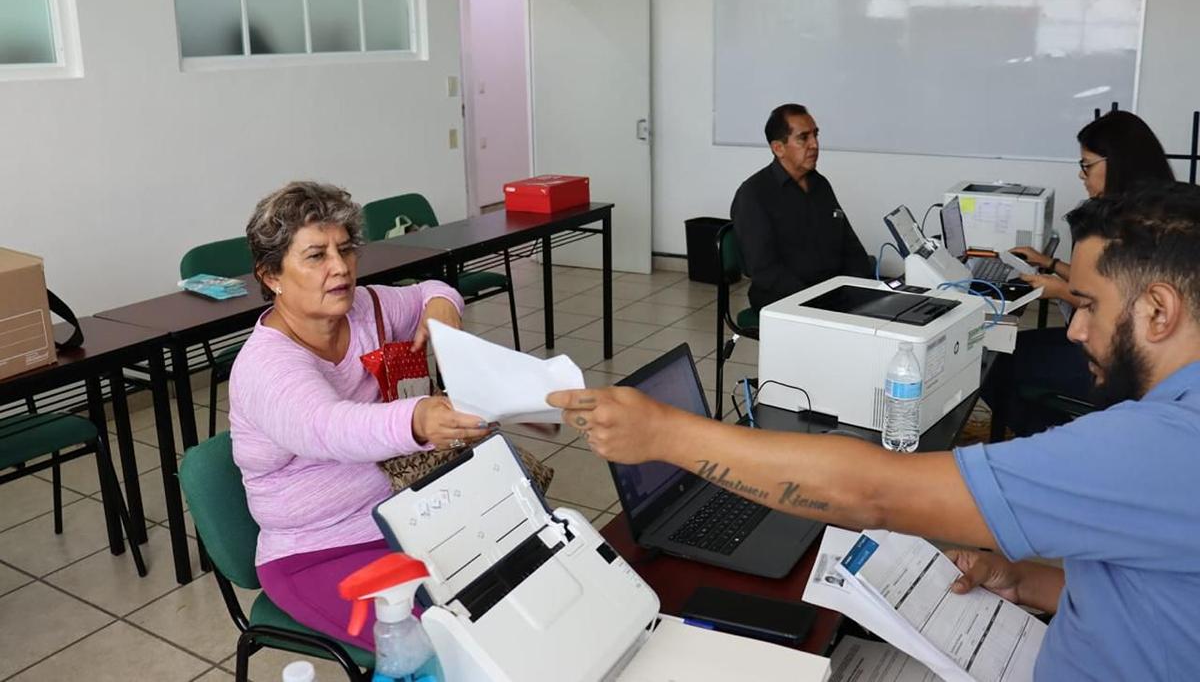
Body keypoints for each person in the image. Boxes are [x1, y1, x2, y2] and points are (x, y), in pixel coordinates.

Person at [550, 183, 1200, 681]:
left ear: (1159, 309)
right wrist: (1023, 580)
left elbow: (875, 493)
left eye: (1085, 305)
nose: (1076, 329)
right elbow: (1153, 591)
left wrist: (667, 432)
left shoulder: (1161, 445)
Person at [229, 181, 491, 651]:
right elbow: (329, 428)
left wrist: (440, 308)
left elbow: (433, 290)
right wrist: (417, 419)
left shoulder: (364, 308)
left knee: (512, 584)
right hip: (319, 550)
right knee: (453, 641)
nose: (340, 268)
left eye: (346, 250)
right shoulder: (265, 366)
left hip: (404, 515)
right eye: (316, 256)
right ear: (271, 276)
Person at [983, 110, 1176, 435]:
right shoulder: (1157, 208)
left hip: (1121, 355)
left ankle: (1050, 441)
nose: (1081, 175)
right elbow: (1110, 284)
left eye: (1087, 165)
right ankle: (1052, 436)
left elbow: (1123, 303)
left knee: (994, 360)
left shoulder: (1135, 223)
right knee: (1007, 353)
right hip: (1119, 342)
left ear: (1117, 162)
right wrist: (1051, 264)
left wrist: (1056, 289)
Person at [731, 103, 872, 311]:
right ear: (778, 148)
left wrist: (866, 286)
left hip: (832, 293)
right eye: (803, 138)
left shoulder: (820, 185)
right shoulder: (754, 194)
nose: (814, 144)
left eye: (815, 135)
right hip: (786, 300)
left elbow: (850, 247)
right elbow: (764, 270)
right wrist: (814, 299)